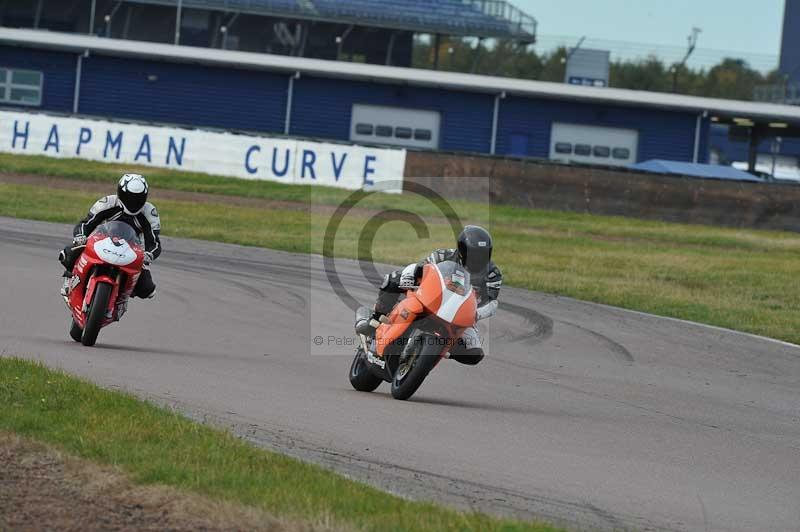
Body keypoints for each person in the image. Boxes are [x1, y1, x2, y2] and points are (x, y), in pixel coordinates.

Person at [356, 225, 502, 365]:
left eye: (483, 254)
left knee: (475, 354)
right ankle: (373, 319)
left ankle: (440, 352)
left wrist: (477, 313)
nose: (478, 258)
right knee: (394, 279)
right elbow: (420, 268)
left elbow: (491, 302)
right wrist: (409, 277)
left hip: (459, 314)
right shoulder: (443, 255)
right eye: (474, 254)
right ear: (462, 249)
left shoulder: (492, 273)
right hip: (428, 297)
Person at [59, 174, 161, 300]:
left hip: (131, 250)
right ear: (120, 193)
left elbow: (154, 242)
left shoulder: (149, 212)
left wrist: (148, 255)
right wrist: (81, 236)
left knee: (148, 289)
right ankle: (70, 279)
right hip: (101, 240)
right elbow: (86, 223)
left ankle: (122, 298)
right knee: (68, 253)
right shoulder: (108, 202)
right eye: (129, 197)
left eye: (138, 198)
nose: (133, 202)